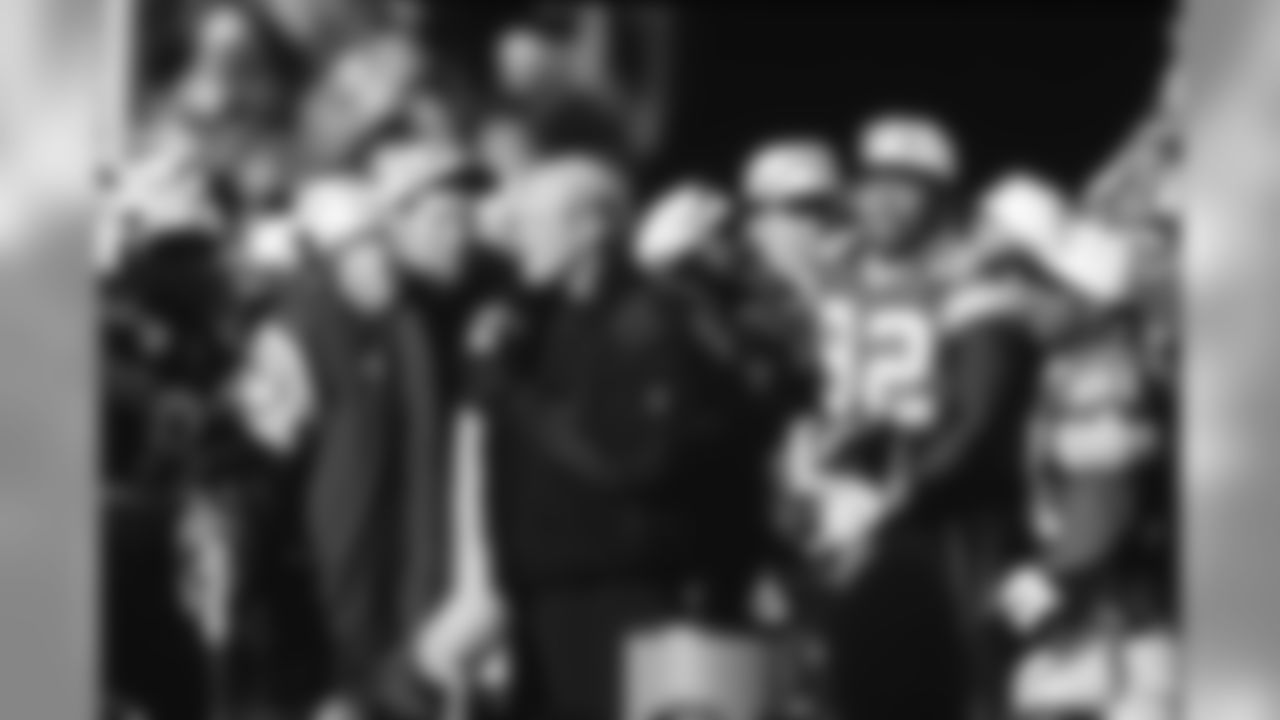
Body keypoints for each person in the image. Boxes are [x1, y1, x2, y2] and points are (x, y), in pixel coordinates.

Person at [418, 153, 752, 720]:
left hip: (629, 593)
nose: (518, 241)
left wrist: (514, 391)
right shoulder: (538, 319)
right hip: (541, 594)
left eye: (534, 224)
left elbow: (631, 457)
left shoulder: (650, 320)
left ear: (591, 228)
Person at [230, 175, 447, 720]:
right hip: (328, 593)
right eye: (363, 248)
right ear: (326, 261)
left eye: (384, 244)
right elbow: (266, 460)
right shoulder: (292, 334)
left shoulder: (409, 327)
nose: (383, 261)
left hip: (402, 583)